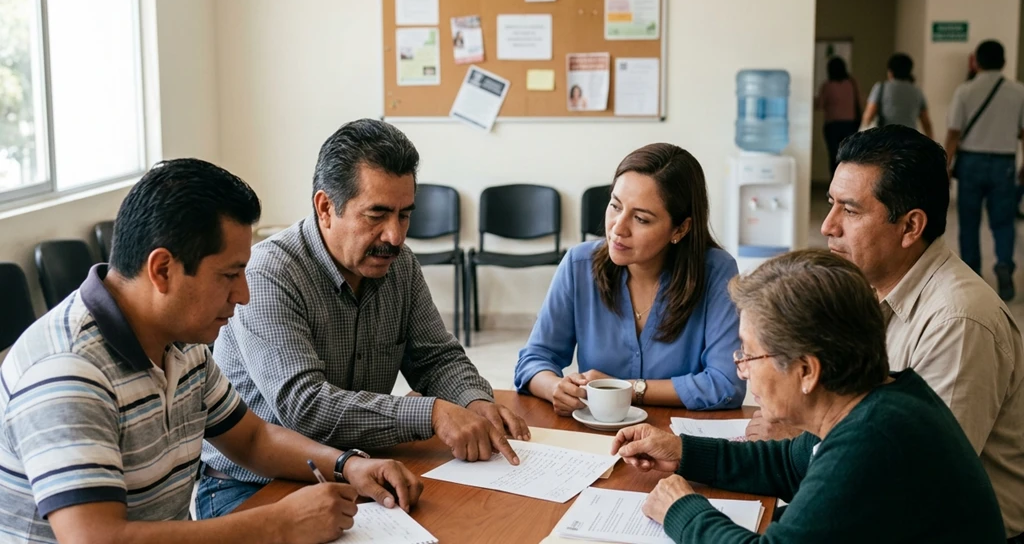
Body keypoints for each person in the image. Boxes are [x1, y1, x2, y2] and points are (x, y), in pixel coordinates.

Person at [0, 159, 422, 543]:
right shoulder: (68, 370)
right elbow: (97, 540)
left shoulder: (181, 342)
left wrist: (348, 465)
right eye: (229, 275)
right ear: (162, 270)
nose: (243, 295)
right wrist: (279, 524)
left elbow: (253, 438)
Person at [198, 118, 529, 517]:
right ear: (325, 208)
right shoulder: (270, 274)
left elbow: (435, 358)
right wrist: (432, 412)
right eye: (377, 215)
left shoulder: (400, 266)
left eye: (405, 215)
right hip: (251, 486)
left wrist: (473, 401)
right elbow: (305, 407)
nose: (396, 236)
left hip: (361, 470)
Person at [612, 249, 1006, 543]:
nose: (742, 368)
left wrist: (681, 509)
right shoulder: (877, 399)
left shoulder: (874, 441)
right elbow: (787, 462)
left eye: (749, 353)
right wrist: (682, 451)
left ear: (806, 371)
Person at [748, 125, 1024, 540]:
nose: (827, 226)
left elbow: (910, 474)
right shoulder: (870, 289)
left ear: (911, 226)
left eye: (851, 210)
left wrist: (801, 428)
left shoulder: (958, 321)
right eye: (830, 204)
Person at [514, 143, 744, 415]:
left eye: (641, 219)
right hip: (594, 435)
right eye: (615, 206)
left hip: (676, 438)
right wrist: (555, 387)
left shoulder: (716, 272)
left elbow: (726, 385)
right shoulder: (579, 265)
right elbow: (533, 360)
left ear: (680, 229)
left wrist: (625, 389)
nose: (618, 228)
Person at [944, 39, 1024, 300]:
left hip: (970, 162)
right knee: (1003, 221)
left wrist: (944, 164)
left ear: (976, 61)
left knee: (969, 221)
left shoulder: (965, 91)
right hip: (1005, 163)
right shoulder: (1018, 91)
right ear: (1003, 62)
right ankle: (1003, 264)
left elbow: (954, 132)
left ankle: (971, 275)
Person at [860, 53, 932, 137]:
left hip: (886, 138)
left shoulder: (881, 87)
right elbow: (926, 122)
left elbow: (869, 115)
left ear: (890, 71)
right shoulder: (917, 91)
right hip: (910, 138)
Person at [815, 57, 861, 176]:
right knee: (849, 157)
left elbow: (820, 104)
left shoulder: (827, 86)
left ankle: (835, 182)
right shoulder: (851, 83)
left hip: (832, 125)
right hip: (850, 124)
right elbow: (857, 102)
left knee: (834, 157)